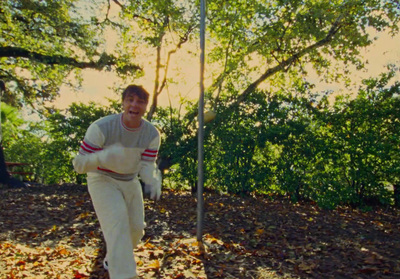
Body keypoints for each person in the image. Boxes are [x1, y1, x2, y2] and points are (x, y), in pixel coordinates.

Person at [72, 85, 162, 279]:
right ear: (123, 103)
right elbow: (79, 165)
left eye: (140, 101)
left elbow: (147, 164)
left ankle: (113, 259)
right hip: (102, 179)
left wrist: (153, 178)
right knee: (118, 223)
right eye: (130, 100)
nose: (134, 105)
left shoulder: (152, 134)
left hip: (129, 181)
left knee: (136, 229)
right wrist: (103, 156)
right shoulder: (101, 127)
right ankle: (124, 274)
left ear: (146, 106)